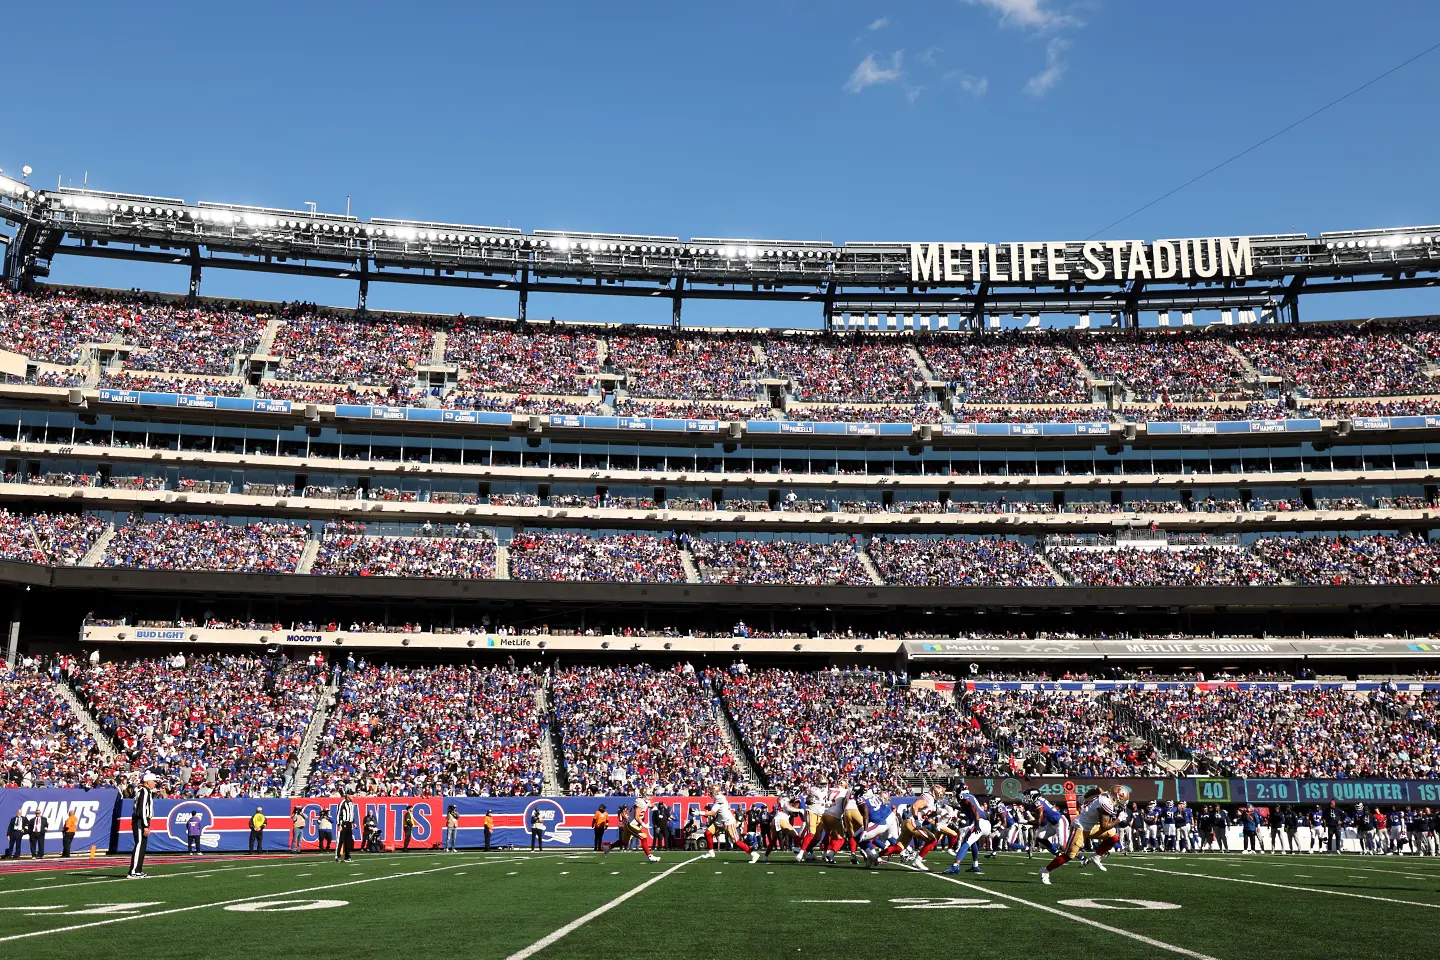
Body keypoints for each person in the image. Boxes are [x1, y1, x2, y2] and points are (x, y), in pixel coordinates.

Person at [1039, 785, 1129, 884]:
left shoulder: (1105, 795)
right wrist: (1119, 819)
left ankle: (1095, 856)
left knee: (1113, 837)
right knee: (1069, 856)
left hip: (1092, 827)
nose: (1121, 804)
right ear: (1113, 797)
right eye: (1120, 800)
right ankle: (1045, 870)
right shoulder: (1106, 803)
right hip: (1080, 827)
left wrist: (1084, 797)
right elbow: (1104, 827)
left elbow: (1097, 789)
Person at [128, 771, 158, 878]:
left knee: (142, 845)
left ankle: (138, 870)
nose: (155, 783)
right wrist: (145, 825)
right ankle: (133, 871)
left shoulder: (147, 792)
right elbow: (141, 809)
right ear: (147, 782)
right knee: (139, 844)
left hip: (142, 820)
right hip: (140, 820)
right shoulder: (144, 792)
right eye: (153, 781)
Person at [336, 791, 358, 863]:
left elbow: (352, 814)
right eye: (351, 795)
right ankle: (338, 856)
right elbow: (339, 813)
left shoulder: (351, 803)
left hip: (349, 823)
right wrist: (339, 824)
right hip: (343, 823)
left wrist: (353, 822)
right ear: (348, 795)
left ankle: (347, 856)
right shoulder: (343, 802)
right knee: (340, 840)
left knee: (348, 841)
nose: (353, 796)